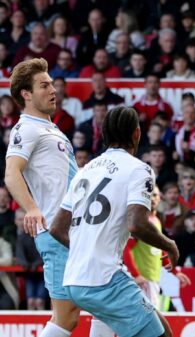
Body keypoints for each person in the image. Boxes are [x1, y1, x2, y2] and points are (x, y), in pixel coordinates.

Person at [4, 58, 112, 337]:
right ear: (26, 94)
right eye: (44, 85)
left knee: (103, 304)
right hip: (56, 231)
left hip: (76, 230)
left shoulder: (50, 129)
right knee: (66, 317)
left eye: (52, 84)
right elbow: (11, 174)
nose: (53, 90)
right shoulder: (25, 128)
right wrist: (30, 208)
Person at [49, 106, 178, 337]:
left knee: (160, 325)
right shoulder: (139, 169)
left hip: (75, 279)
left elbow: (57, 228)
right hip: (105, 279)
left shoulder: (85, 170)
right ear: (136, 133)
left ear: (103, 134)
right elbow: (137, 224)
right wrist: (169, 244)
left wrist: (87, 248)